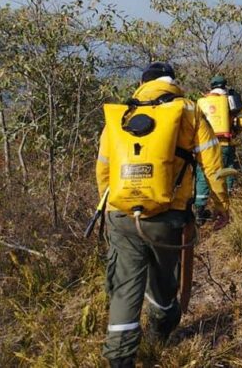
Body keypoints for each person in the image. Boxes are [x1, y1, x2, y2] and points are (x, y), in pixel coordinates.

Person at [95, 62, 229, 367]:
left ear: (142, 83)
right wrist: (222, 205)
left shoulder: (123, 114)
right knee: (163, 283)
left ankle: (119, 358)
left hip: (121, 215)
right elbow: (212, 163)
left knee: (125, 287)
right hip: (168, 218)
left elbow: (103, 168)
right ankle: (160, 330)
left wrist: (111, 205)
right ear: (173, 82)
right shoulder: (189, 110)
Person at [195, 75, 242, 223]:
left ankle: (199, 211)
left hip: (204, 145)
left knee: (203, 176)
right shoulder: (229, 100)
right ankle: (224, 207)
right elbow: (241, 121)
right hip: (225, 143)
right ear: (224, 85)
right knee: (227, 171)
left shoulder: (201, 101)